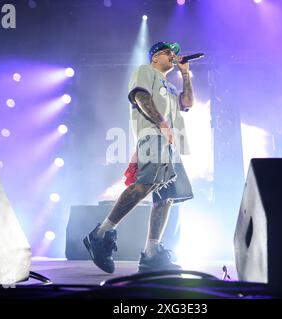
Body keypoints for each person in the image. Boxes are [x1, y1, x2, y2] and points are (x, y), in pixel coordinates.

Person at [83, 41, 195, 273]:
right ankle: (100, 234)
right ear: (155, 57)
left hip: (170, 143)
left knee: (167, 196)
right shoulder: (145, 71)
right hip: (153, 135)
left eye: (174, 54)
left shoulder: (171, 87)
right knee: (146, 183)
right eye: (168, 53)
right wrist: (162, 124)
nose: (173, 57)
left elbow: (188, 103)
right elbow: (141, 98)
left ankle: (151, 253)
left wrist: (185, 74)